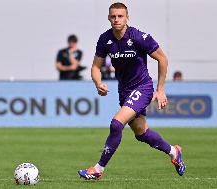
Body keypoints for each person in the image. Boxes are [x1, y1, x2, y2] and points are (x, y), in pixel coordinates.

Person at [77, 2, 186, 180]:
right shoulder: (105, 39)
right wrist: (98, 83)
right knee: (141, 133)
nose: (116, 19)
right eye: (113, 16)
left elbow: (162, 59)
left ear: (127, 17)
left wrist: (160, 89)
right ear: (108, 18)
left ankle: (98, 169)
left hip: (142, 88)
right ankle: (174, 152)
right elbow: (95, 67)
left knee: (116, 124)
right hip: (124, 91)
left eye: (120, 16)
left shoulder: (139, 37)